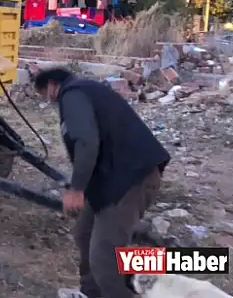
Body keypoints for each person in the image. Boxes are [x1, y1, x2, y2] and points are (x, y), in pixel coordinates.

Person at [32, 67, 170, 298]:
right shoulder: (87, 91)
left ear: (53, 85)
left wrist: (76, 189)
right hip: (110, 180)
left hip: (129, 180)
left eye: (44, 93)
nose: (48, 101)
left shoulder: (73, 94)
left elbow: (86, 141)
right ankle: (91, 292)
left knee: (105, 260)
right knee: (84, 233)